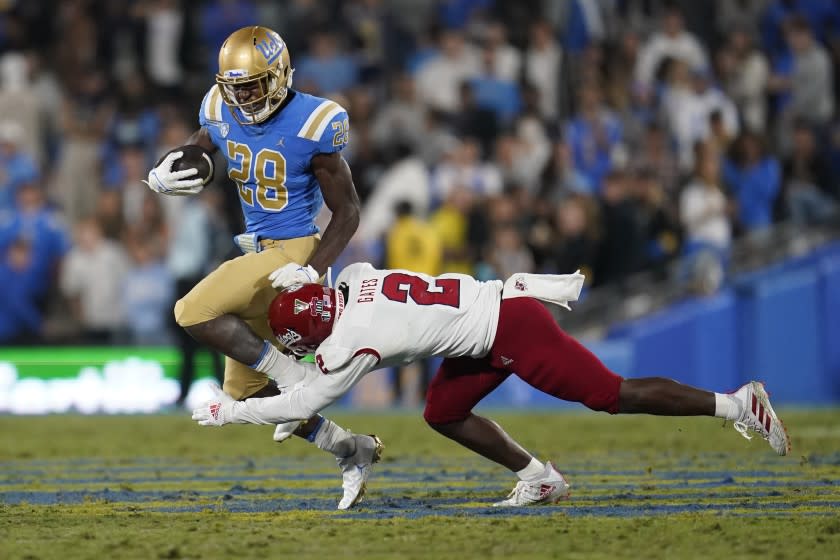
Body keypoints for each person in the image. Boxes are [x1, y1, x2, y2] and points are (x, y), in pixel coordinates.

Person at [191, 263, 791, 507]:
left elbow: (301, 401)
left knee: (611, 394)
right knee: (442, 410)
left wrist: (232, 413)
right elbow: (326, 280)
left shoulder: (351, 341)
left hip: (511, 330)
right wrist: (300, 278)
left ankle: (737, 402)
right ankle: (539, 479)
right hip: (486, 320)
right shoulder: (353, 278)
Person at [143, 26, 377, 510]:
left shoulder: (314, 120)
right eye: (236, 86)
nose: (244, 95)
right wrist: (173, 164)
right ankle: (351, 448)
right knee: (248, 394)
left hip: (293, 252)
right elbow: (206, 139)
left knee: (191, 310)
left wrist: (312, 271)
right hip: (257, 252)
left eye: (253, 83)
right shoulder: (219, 105)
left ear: (280, 74)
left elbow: (349, 210)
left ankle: (295, 378)